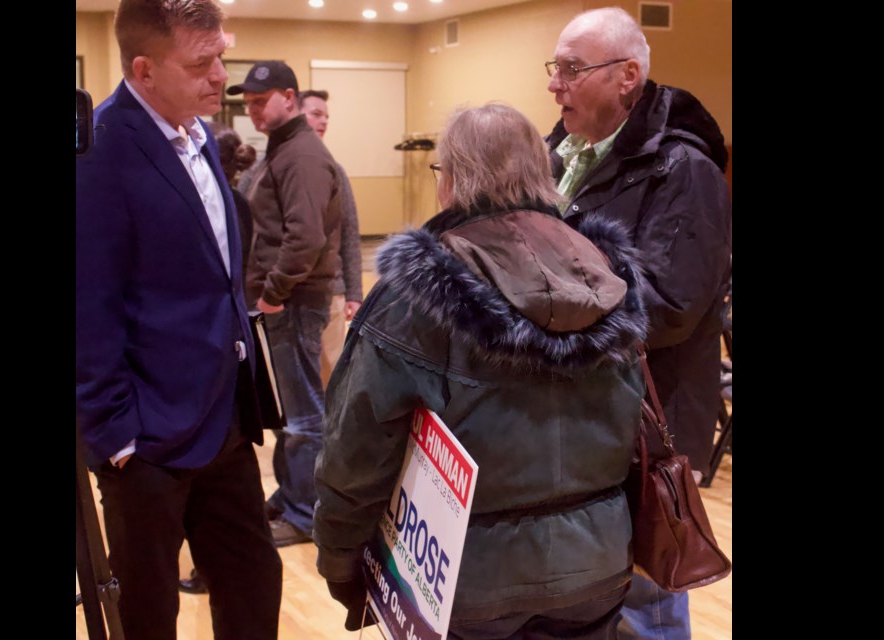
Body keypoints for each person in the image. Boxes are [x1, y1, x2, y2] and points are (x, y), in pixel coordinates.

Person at [314, 103, 649, 639]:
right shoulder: (605, 268)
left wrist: (338, 556)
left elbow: (357, 446)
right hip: (599, 563)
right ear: (542, 172)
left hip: (465, 579)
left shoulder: (417, 290)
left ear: (450, 179)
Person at [75, 1, 282, 637]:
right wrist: (117, 435)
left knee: (253, 579)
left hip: (223, 418)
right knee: (149, 611)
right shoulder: (101, 153)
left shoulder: (197, 136)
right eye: (202, 63)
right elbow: (88, 301)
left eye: (221, 54)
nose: (222, 75)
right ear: (143, 69)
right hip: (147, 438)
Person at [543, 7, 732, 639]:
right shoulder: (560, 156)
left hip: (648, 434)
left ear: (628, 76)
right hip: (578, 425)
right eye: (555, 68)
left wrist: (540, 293)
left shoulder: (683, 170)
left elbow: (668, 306)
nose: (555, 84)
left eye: (572, 69)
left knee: (644, 608)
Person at [228, 60, 344, 547]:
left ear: (290, 98)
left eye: (263, 100)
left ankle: (304, 515)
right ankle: (290, 496)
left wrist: (273, 294)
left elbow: (305, 238)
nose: (253, 110)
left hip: (294, 302)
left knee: (302, 416)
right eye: (249, 102)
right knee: (287, 412)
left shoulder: (301, 155)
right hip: (282, 302)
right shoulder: (281, 150)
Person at [178, 121, 259, 597]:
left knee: (246, 563)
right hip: (198, 387)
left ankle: (205, 570)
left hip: (217, 385)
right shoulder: (240, 205)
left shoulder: (234, 208)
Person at [297, 89, 364, 386]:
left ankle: (333, 434)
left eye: (326, 116)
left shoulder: (335, 172)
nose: (323, 121)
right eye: (316, 114)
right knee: (295, 383)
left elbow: (350, 233)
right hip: (285, 297)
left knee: (333, 379)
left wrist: (354, 293)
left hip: (331, 295)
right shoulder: (267, 170)